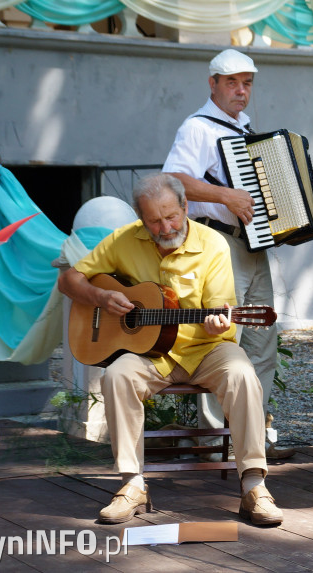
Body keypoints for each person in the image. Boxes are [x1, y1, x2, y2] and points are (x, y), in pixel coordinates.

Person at [58, 174, 282, 526]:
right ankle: (132, 484)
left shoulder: (212, 244)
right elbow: (69, 279)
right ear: (140, 217)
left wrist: (218, 323)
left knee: (242, 374)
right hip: (150, 354)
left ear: (185, 206)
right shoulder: (124, 240)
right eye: (154, 221)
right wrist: (101, 296)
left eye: (171, 217)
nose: (165, 228)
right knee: (116, 376)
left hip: (206, 348)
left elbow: (223, 315)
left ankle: (254, 486)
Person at [163, 49, 313, 462]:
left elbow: (264, 191)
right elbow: (173, 179)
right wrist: (225, 195)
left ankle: (251, 440)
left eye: (247, 83)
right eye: (232, 82)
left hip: (252, 245)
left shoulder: (245, 129)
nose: (241, 90)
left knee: (260, 342)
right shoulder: (198, 127)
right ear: (213, 84)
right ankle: (213, 443)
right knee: (222, 341)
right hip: (216, 244)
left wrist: (304, 189)